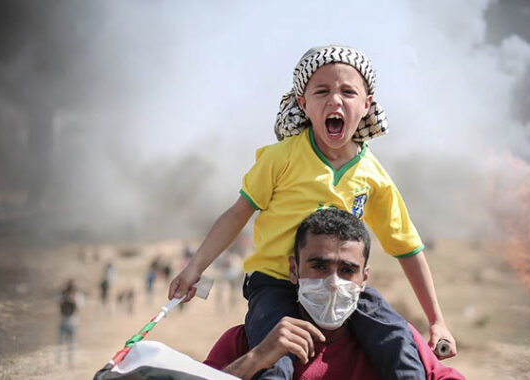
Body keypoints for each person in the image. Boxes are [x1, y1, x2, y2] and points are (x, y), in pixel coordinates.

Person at [169, 45, 456, 379]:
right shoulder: (281, 158)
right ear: (303, 104)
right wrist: (194, 268)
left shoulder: (374, 177)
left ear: (367, 105)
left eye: (348, 92)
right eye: (322, 91)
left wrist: (437, 320)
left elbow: (408, 247)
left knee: (395, 337)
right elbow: (237, 214)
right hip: (275, 283)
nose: (335, 100)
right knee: (276, 358)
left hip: (340, 284)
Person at [204, 209, 464, 379]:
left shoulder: (394, 339)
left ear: (364, 278)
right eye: (319, 266)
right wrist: (255, 359)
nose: (332, 283)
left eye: (347, 270)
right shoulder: (247, 341)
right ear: (294, 270)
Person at [57, 279, 84, 366]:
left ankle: (64, 360)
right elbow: (80, 307)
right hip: (70, 322)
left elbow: (57, 303)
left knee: (63, 343)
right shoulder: (77, 295)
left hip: (65, 321)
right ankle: (66, 361)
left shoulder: (64, 295)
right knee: (69, 344)